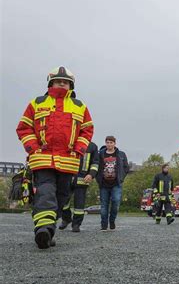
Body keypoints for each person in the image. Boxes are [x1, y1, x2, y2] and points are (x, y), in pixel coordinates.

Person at [16, 66, 94, 249]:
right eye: (59, 81)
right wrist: (33, 148)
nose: (62, 83)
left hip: (68, 160)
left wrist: (79, 149)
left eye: (66, 82)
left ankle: (48, 230)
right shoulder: (37, 103)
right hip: (42, 159)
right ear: (51, 83)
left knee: (62, 197)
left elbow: (87, 130)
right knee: (46, 191)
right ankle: (42, 228)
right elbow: (24, 127)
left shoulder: (79, 106)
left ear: (71, 85)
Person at [59, 142, 99, 232]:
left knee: (79, 205)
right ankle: (66, 218)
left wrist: (91, 175)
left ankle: (76, 224)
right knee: (63, 201)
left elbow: (95, 163)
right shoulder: (68, 141)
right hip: (66, 176)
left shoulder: (92, 146)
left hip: (82, 178)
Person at [96, 136, 129, 231]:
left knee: (116, 202)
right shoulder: (100, 154)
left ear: (115, 143)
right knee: (104, 206)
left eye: (111, 142)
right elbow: (96, 166)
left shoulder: (121, 154)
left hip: (116, 184)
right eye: (107, 142)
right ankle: (104, 224)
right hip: (104, 184)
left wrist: (121, 178)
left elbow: (126, 168)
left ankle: (112, 220)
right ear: (105, 143)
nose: (109, 144)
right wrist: (98, 179)